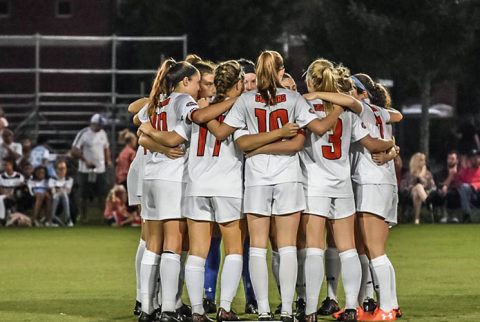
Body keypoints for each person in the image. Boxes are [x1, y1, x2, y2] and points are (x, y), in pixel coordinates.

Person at [206, 50, 356, 322]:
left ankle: (264, 310)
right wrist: (337, 109)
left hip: (256, 179)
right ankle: (286, 309)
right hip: (288, 177)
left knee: (258, 248)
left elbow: (243, 144)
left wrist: (259, 145)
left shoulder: (245, 101)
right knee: (287, 247)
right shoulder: (294, 98)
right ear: (280, 70)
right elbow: (315, 132)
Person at [300, 60, 394, 322]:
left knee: (315, 249)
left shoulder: (303, 104)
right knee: (349, 249)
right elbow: (372, 143)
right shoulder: (348, 111)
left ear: (311, 81)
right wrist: (391, 145)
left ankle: (310, 310)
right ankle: (352, 306)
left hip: (314, 184)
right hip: (342, 184)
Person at [135, 58, 200, 322]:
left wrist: (150, 133)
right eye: (196, 82)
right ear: (185, 81)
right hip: (171, 178)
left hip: (150, 176)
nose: (197, 88)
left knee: (153, 244)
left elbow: (139, 127)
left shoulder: (157, 100)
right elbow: (174, 139)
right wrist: (157, 135)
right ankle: (169, 310)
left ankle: (147, 308)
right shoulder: (183, 101)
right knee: (173, 243)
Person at [350, 73, 402, 321]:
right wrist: (392, 150)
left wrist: (390, 149)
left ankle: (387, 308)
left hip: (372, 181)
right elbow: (395, 120)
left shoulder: (361, 110)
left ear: (363, 93)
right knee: (374, 250)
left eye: (350, 88)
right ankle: (390, 304)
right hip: (384, 181)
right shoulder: (380, 112)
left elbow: (375, 143)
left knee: (375, 250)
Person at [70, 113, 112, 221]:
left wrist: (108, 160)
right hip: (85, 170)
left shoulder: (103, 133)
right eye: (99, 125)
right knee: (83, 194)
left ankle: (103, 217)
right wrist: (85, 160)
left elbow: (106, 147)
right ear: (93, 123)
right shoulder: (84, 133)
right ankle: (83, 216)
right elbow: (74, 150)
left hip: (100, 169)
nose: (101, 127)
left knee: (102, 194)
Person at [400, 152, 436, 224]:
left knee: (417, 193)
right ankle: (427, 201)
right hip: (410, 194)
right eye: (421, 160)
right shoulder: (409, 174)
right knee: (418, 187)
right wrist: (412, 186)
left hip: (425, 193)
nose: (424, 162)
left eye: (424, 160)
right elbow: (402, 186)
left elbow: (433, 187)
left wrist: (424, 183)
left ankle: (416, 220)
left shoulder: (427, 174)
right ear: (416, 161)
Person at [455, 149, 480, 223]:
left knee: (464, 188)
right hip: (466, 192)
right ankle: (467, 213)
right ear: (470, 160)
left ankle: (466, 214)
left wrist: (475, 185)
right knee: (463, 188)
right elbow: (457, 181)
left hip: (478, 192)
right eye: (474, 158)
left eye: (478, 157)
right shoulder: (465, 171)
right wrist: (461, 184)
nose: (476, 159)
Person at [49, 160, 74, 227]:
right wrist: (60, 190)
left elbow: (68, 191)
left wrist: (59, 190)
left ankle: (67, 219)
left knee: (64, 195)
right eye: (60, 169)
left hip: (66, 197)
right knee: (57, 196)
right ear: (56, 170)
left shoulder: (69, 179)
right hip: (54, 198)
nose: (62, 171)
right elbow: (53, 190)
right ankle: (52, 219)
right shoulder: (52, 179)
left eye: (64, 168)